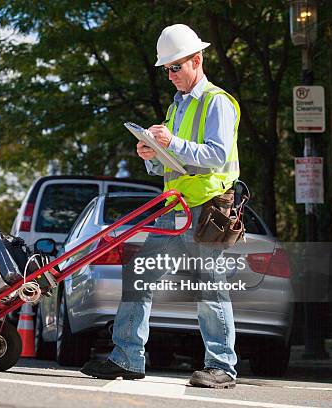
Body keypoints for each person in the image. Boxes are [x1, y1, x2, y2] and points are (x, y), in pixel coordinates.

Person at [80, 24, 241, 389]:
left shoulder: (218, 102)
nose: (170, 76)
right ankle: (128, 356)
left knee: (210, 286)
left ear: (197, 60)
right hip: (176, 209)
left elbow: (216, 156)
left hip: (207, 210)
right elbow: (175, 160)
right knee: (139, 273)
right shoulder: (177, 105)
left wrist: (174, 142)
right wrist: (151, 155)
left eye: (176, 67)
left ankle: (222, 367)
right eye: (166, 70)